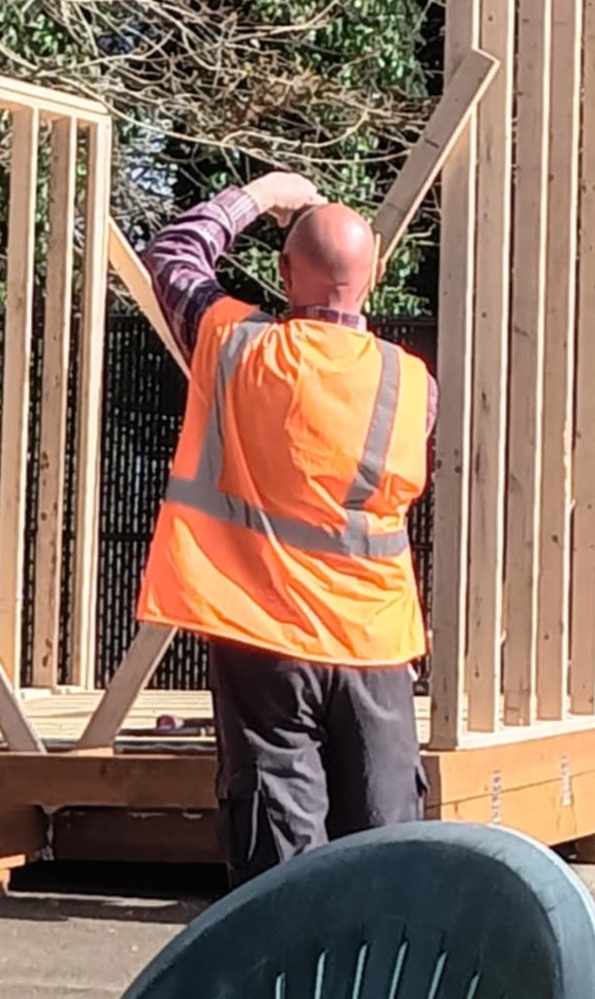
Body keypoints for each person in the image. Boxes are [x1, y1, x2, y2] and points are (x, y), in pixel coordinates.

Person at [137, 171, 435, 887]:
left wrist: (265, 194)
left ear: (282, 272)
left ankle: (294, 950)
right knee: (387, 848)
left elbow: (172, 255)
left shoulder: (237, 347)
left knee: (278, 858)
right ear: (376, 276)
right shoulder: (411, 383)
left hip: (263, 633)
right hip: (374, 642)